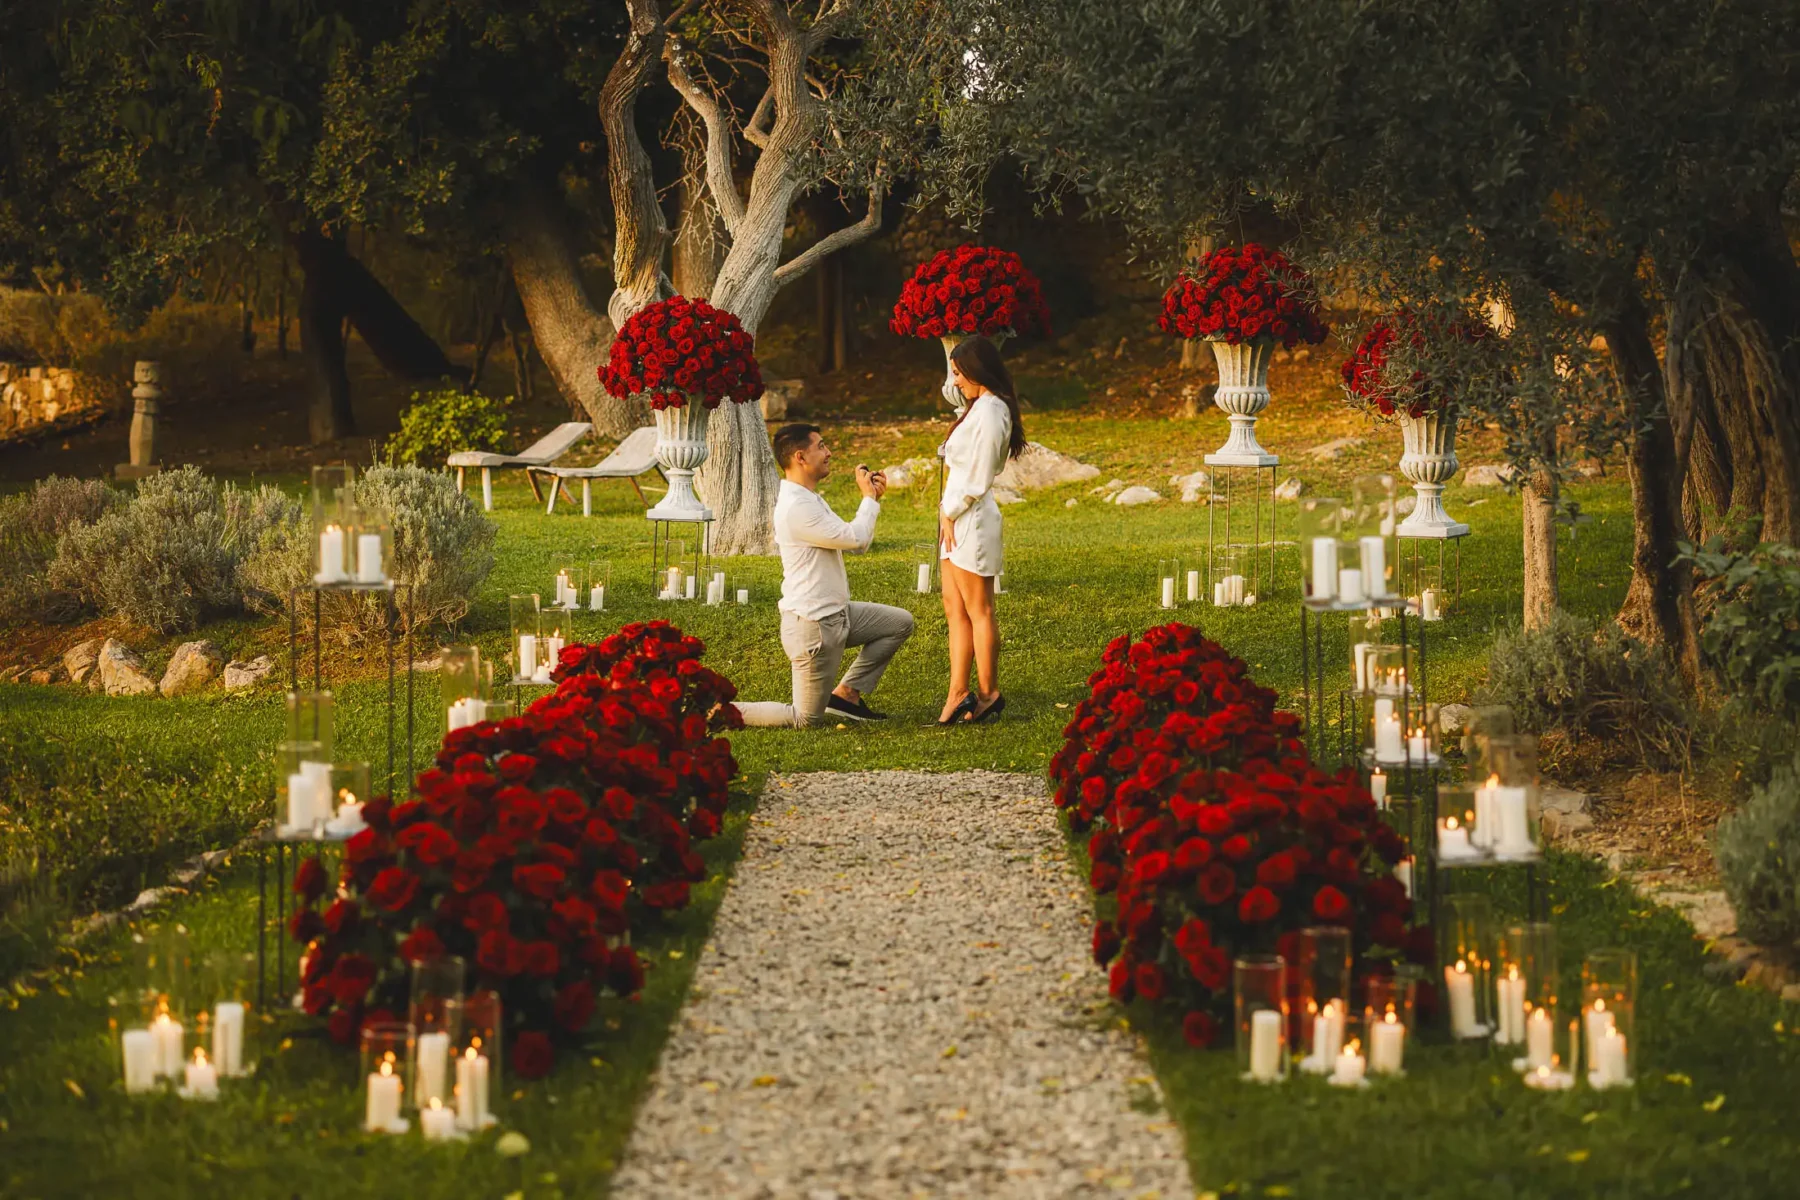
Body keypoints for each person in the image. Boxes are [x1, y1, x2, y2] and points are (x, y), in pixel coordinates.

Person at [736, 423, 916, 728]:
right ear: (800, 457)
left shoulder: (809, 499)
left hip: (838, 614)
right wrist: (868, 500)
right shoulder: (797, 507)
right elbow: (856, 539)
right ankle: (719, 709)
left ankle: (846, 695)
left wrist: (873, 499)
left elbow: (855, 543)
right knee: (805, 717)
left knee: (900, 623)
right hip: (813, 627)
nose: (829, 452)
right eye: (821, 446)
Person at [936, 335, 1026, 725]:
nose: (954, 381)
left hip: (970, 518)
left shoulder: (992, 411)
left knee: (979, 609)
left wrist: (951, 511)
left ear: (976, 370)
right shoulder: (976, 408)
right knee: (954, 607)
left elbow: (981, 474)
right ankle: (958, 692)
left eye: (958, 373)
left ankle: (989, 693)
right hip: (953, 519)